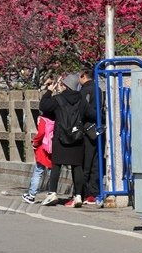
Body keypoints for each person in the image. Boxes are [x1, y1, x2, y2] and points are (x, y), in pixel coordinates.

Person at [39, 73, 95, 207]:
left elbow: (43, 106)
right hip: (77, 137)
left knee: (56, 165)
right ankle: (78, 196)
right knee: (77, 167)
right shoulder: (82, 100)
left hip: (61, 137)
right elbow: (92, 114)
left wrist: (49, 91)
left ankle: (52, 193)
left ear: (65, 85)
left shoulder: (58, 99)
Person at [24, 78, 56, 204]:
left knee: (38, 171)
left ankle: (31, 195)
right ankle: (52, 193)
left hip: (43, 148)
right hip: (54, 147)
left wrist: (35, 142)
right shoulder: (56, 118)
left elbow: (41, 133)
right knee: (53, 170)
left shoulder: (43, 119)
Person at [78, 69, 103, 205]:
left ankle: (85, 192)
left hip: (86, 130)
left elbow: (84, 111)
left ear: (83, 76)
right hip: (97, 130)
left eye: (79, 76)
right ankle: (94, 192)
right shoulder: (97, 89)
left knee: (85, 163)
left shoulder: (84, 91)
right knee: (96, 162)